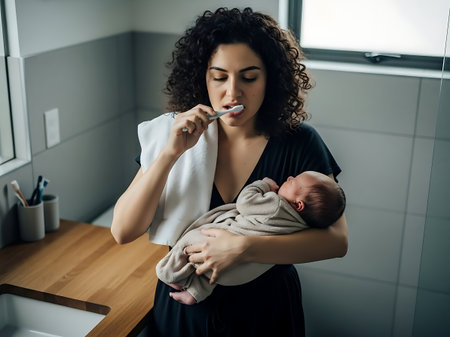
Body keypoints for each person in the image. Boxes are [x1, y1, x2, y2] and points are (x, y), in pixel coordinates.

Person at [111, 7, 348, 337]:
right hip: (183, 318)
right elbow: (122, 231)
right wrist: (170, 154)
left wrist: (244, 248)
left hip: (265, 315)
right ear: (202, 78)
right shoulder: (173, 136)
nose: (232, 93)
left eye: (249, 77)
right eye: (219, 77)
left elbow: (336, 241)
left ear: (271, 79)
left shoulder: (300, 142)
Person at [157, 172, 346, 305]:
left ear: (298, 205)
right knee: (210, 273)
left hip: (226, 251)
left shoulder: (275, 205)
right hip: (243, 274)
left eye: (294, 181)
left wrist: (262, 185)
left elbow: (246, 202)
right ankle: (195, 293)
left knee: (191, 240)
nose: (289, 177)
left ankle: (168, 274)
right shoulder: (301, 226)